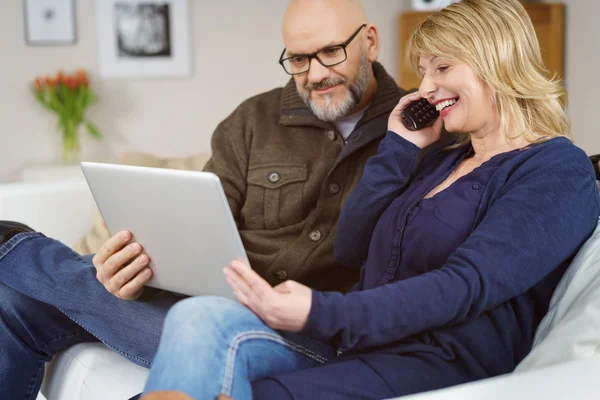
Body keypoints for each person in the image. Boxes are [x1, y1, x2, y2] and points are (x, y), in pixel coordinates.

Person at [140, 0, 600, 399]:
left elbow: (466, 285)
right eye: (423, 73)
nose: (424, 90)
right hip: (361, 347)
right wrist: (399, 147)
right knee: (196, 317)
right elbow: (351, 246)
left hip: (438, 363)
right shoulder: (444, 159)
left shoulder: (556, 169)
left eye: (442, 68)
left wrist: (319, 311)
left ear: (496, 62)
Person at [0, 1, 406, 398]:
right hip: (211, 304)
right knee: (12, 300)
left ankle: (16, 251)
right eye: (298, 59)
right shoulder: (252, 120)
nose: (315, 74)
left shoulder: (416, 132)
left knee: (201, 321)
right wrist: (132, 273)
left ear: (369, 41)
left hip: (306, 337)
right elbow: (193, 232)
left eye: (331, 52)